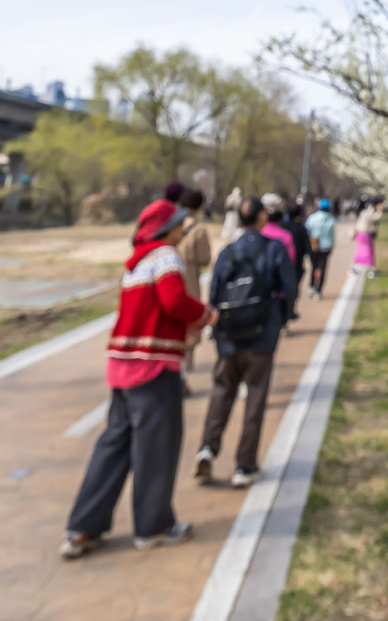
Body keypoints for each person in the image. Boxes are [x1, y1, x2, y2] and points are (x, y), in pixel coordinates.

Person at [61, 198, 216, 559]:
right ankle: (153, 526)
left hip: (122, 364)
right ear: (167, 229)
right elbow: (174, 301)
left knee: (113, 445)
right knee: (156, 448)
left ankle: (83, 527)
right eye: (179, 223)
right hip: (153, 365)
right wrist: (207, 315)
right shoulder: (165, 256)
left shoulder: (136, 263)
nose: (183, 228)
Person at [193, 198, 296, 489]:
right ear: (262, 217)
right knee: (256, 396)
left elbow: (213, 293)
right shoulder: (273, 249)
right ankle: (244, 465)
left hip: (228, 336)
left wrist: (219, 326)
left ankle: (208, 448)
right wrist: (282, 319)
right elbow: (288, 288)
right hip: (261, 334)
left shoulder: (227, 253)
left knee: (222, 390)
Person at [174, 188, 211, 394]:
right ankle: (184, 371)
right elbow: (205, 259)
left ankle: (179, 375)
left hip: (168, 282)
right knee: (190, 328)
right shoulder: (198, 229)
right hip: (189, 282)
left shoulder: (170, 225)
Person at [304, 199, 336, 299]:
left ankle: (312, 286)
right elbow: (332, 235)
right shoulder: (331, 219)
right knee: (322, 268)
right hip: (326, 245)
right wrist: (332, 246)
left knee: (314, 266)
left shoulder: (312, 217)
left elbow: (307, 230)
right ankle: (318, 291)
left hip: (314, 243)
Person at [353, 197, 383, 278]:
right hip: (365, 234)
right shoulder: (368, 212)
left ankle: (355, 267)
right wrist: (379, 211)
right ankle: (372, 270)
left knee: (361, 250)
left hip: (361, 234)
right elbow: (376, 218)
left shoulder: (364, 212)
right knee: (369, 252)